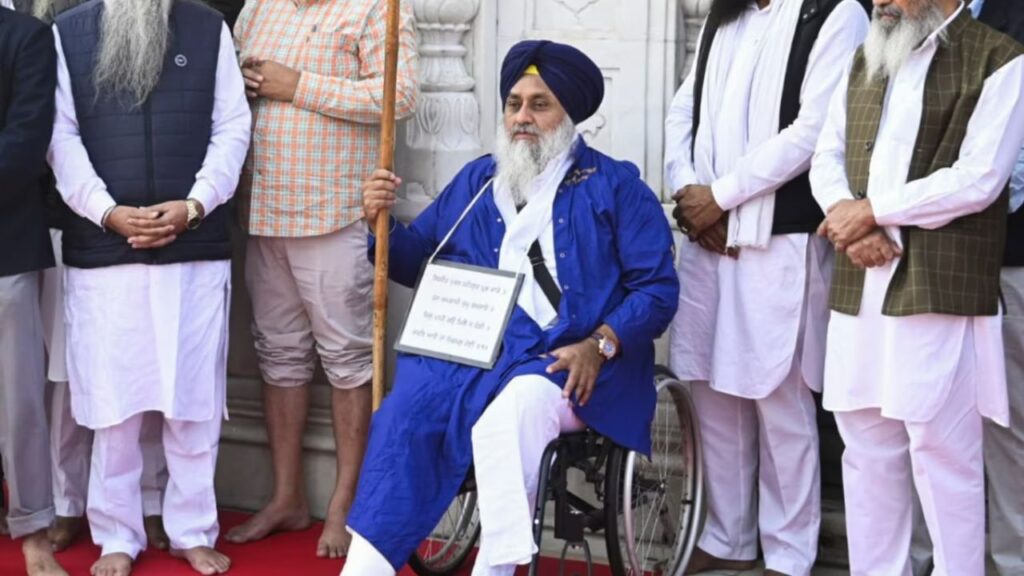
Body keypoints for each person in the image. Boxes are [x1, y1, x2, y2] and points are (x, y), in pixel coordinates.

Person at [340, 39, 679, 576]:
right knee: (402, 416)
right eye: (514, 103)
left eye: (539, 104)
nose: (522, 116)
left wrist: (600, 343)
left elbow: (657, 290)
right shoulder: (478, 182)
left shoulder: (616, 187)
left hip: (566, 360)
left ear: (569, 113)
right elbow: (416, 262)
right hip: (473, 356)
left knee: (508, 419)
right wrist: (377, 223)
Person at [809, 0, 1024, 571]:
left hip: (938, 286)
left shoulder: (999, 59)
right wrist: (848, 218)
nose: (881, 1)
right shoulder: (865, 58)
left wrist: (876, 211)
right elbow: (825, 155)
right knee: (866, 450)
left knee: (942, 452)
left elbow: (980, 177)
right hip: (861, 281)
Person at [47, 0, 251, 574]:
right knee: (114, 404)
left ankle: (192, 528)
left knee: (193, 402)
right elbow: (59, 138)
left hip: (193, 245)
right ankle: (117, 535)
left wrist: (195, 204)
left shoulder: (208, 27)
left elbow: (233, 125)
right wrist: (106, 212)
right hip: (105, 248)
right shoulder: (69, 32)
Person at [664, 0, 867, 572]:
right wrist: (688, 191)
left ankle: (790, 551)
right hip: (708, 235)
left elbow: (813, 131)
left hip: (781, 238)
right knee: (712, 389)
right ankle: (726, 538)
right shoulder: (723, 15)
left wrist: (720, 196)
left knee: (779, 395)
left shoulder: (836, 13)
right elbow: (684, 109)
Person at [226, 0, 418, 559]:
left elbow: (399, 97)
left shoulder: (376, 10)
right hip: (261, 211)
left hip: (335, 211)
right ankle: (286, 497)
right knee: (278, 357)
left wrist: (299, 86)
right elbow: (231, 83)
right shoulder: (258, 7)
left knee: (348, 360)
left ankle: (343, 503)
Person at [12, 0, 173, 554]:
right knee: (62, 375)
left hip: (157, 214)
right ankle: (64, 500)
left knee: (146, 366)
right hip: (56, 216)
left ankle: (149, 500)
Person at [907, 2, 1024, 574]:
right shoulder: (899, 19)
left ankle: (1010, 562)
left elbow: (1006, 161)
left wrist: (971, 211)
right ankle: (924, 558)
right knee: (917, 416)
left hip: (1008, 255)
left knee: (1007, 424)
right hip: (913, 259)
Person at [0, 5, 65, 575]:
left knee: (20, 400)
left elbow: (25, 142)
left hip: (6, 247)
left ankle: (33, 530)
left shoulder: (27, 36)